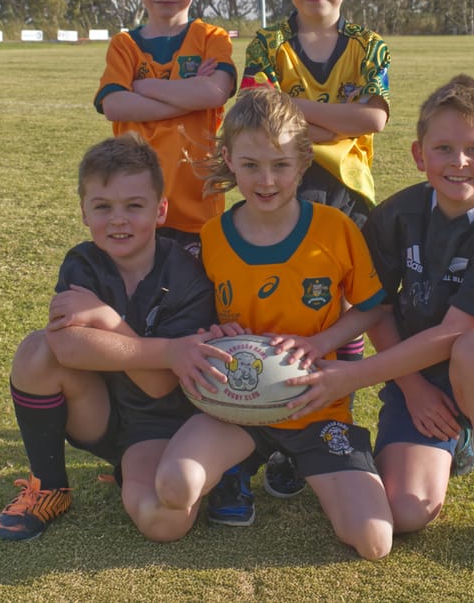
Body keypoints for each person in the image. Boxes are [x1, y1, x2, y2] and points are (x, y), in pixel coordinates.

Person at [286, 75, 474, 566]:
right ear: (419, 155)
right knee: (406, 511)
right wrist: (412, 388)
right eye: (444, 148)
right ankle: (456, 439)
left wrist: (350, 376)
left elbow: (457, 331)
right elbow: (373, 305)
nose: (459, 162)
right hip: (417, 368)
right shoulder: (398, 214)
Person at [153, 88, 394, 559]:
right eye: (250, 165)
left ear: (304, 162)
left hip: (315, 402)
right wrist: (210, 334)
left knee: (373, 541)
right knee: (174, 488)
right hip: (233, 404)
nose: (266, 180)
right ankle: (241, 464)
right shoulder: (212, 237)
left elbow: (373, 308)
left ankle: (298, 458)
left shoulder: (336, 228)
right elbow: (195, 319)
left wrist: (321, 341)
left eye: (281, 165)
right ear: (229, 159)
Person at [225, 0, 392, 514]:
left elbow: (372, 119)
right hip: (279, 189)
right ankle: (277, 430)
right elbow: (255, 112)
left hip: (349, 196)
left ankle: (333, 425)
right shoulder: (268, 43)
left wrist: (291, 106)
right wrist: (324, 114)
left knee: (356, 313)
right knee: (281, 311)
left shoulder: (368, 46)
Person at [0, 133, 218, 542]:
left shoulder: (186, 274)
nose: (118, 219)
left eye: (134, 206)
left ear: (161, 209)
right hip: (100, 411)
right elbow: (66, 346)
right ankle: (49, 487)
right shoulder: (83, 262)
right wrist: (165, 349)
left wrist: (106, 319)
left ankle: (197, 468)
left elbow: (160, 381)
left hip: (160, 423)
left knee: (163, 525)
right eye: (103, 207)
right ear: (83, 212)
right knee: (37, 349)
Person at [93, 0, 236, 256]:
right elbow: (114, 105)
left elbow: (215, 93)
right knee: (139, 297)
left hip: (197, 209)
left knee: (196, 299)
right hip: (135, 205)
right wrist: (189, 94)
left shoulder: (211, 38)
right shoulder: (125, 45)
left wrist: (143, 86)